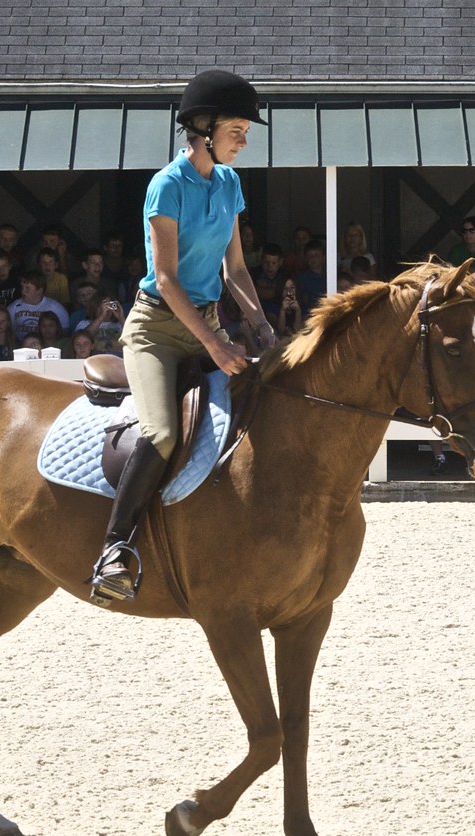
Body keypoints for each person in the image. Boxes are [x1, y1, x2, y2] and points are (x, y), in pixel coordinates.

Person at [88, 69, 276, 603]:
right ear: (203, 127)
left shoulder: (230, 183)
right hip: (156, 329)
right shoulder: (166, 185)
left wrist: (260, 325)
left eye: (244, 130)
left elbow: (234, 269)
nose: (244, 138)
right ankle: (114, 549)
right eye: (237, 129)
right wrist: (216, 345)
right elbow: (166, 279)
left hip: (208, 319)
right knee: (162, 433)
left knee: (258, 402)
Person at [7, 271, 69, 338]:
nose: (23, 291)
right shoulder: (14, 307)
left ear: (39, 290)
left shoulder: (56, 308)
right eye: (22, 287)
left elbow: (65, 332)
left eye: (27, 288)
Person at [250, 242, 285, 320]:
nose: (270, 266)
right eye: (266, 262)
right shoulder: (254, 274)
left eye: (273, 263)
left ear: (280, 262)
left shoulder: (285, 277)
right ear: (261, 260)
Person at [295, 238, 327, 318]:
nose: (313, 258)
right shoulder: (301, 279)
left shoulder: (331, 276)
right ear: (305, 258)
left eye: (316, 255)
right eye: (310, 256)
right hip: (308, 315)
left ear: (323, 257)